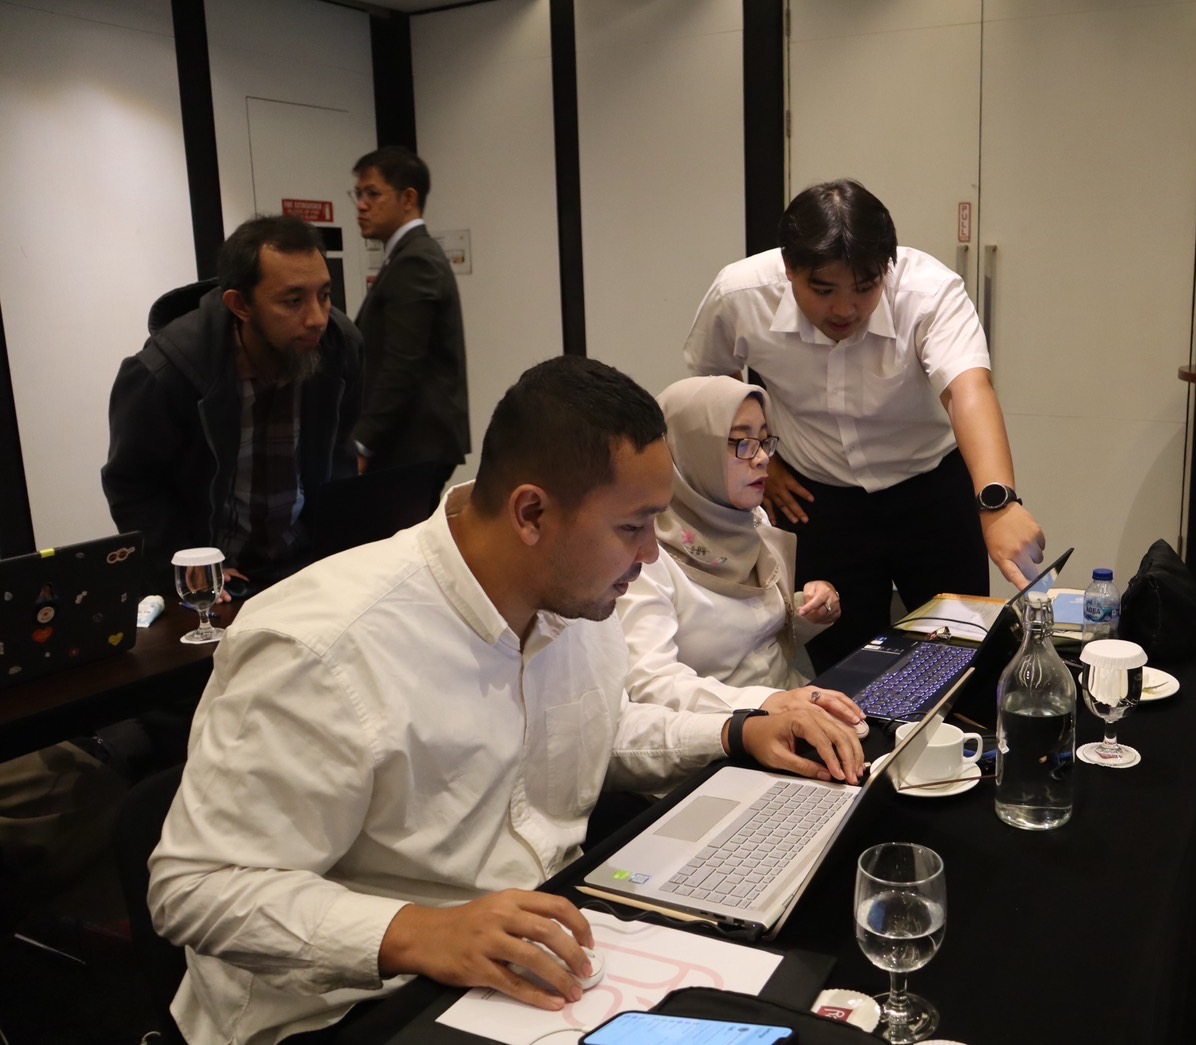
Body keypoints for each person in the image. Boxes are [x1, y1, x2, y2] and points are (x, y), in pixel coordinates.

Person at [146, 356, 865, 1045]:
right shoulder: (324, 644)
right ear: (531, 513)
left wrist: (734, 731)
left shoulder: (573, 592)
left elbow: (595, 728)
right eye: (633, 526)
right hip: (350, 1005)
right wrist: (417, 930)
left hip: (538, 953)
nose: (651, 554)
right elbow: (196, 886)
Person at [683, 179, 1047, 670]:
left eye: (864, 287)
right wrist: (762, 459)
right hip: (817, 499)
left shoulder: (928, 292)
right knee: (846, 665)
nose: (844, 308)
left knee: (961, 657)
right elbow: (711, 383)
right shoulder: (740, 294)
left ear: (886, 269)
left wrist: (998, 503)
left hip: (931, 490)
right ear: (789, 267)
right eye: (822, 289)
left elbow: (968, 389)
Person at [102, 214, 363, 594]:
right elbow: (132, 484)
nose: (317, 319)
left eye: (323, 295)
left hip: (304, 565)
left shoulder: (341, 348)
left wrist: (340, 550)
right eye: (293, 301)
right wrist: (187, 562)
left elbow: (338, 457)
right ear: (240, 304)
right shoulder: (166, 371)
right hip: (218, 578)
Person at [617, 375, 866, 730]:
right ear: (691, 449)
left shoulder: (748, 517)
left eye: (764, 441)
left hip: (793, 709)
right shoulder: (644, 555)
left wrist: (809, 609)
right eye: (742, 443)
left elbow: (752, 632)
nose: (762, 458)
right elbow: (651, 684)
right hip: (723, 733)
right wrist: (767, 703)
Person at [350, 146, 470, 483]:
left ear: (408, 198)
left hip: (412, 445)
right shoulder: (407, 255)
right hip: (412, 443)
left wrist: (362, 442)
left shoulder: (415, 260)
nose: (361, 205)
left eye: (373, 193)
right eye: (358, 194)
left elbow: (402, 364)